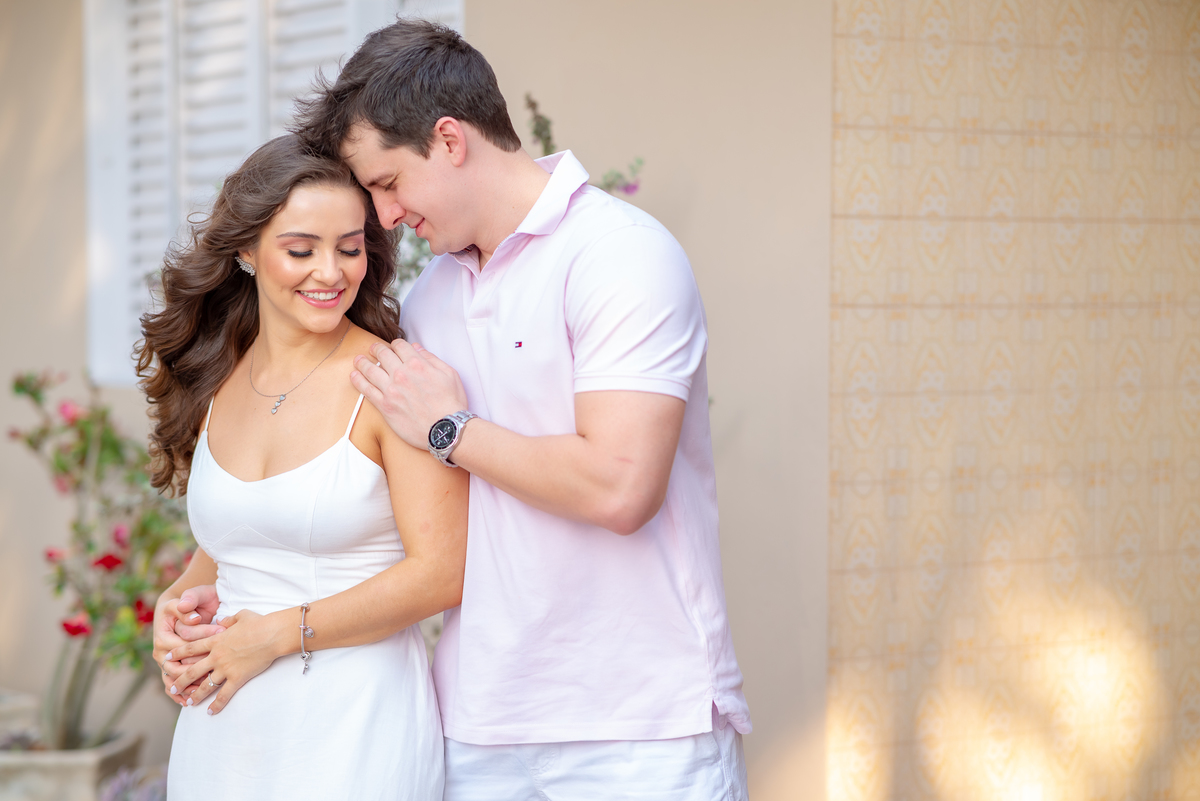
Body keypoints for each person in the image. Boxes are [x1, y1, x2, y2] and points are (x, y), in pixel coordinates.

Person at [163, 18, 752, 801]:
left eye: (386, 183)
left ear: (449, 139)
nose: (381, 217)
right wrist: (201, 579)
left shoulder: (620, 256)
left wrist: (450, 429)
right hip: (478, 721)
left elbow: (621, 488)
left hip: (635, 724)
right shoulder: (433, 298)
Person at [140, 134, 467, 800]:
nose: (331, 271)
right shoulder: (221, 375)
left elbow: (444, 571)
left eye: (350, 247)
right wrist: (178, 598)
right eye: (301, 249)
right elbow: (236, 540)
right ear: (245, 251)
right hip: (224, 733)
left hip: (352, 726)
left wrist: (274, 636)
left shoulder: (390, 380)